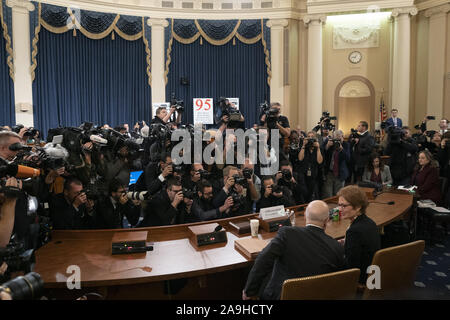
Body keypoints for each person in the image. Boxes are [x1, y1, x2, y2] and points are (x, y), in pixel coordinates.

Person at [242, 200, 345, 300]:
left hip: (281, 296)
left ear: (305, 216)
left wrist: (249, 291)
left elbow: (263, 259)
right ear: (327, 220)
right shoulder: (336, 247)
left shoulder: (287, 233)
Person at [336, 185, 380, 284]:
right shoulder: (370, 222)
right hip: (373, 276)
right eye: (339, 205)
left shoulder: (354, 231)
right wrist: (346, 242)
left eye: (344, 206)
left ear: (358, 207)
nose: (339, 209)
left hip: (360, 281)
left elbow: (351, 267)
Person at [322, 130, 351, 198]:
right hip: (329, 173)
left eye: (339, 138)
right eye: (335, 138)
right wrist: (327, 146)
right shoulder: (329, 142)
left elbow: (348, 158)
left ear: (342, 137)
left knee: (338, 195)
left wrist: (342, 149)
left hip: (340, 173)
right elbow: (321, 152)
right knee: (328, 195)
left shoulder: (346, 144)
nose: (337, 141)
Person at [298, 131, 323, 201]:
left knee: (312, 193)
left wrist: (318, 148)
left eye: (312, 137)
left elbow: (320, 161)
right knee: (304, 192)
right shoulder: (304, 148)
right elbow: (300, 158)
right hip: (303, 174)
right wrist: (303, 145)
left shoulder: (318, 149)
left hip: (314, 175)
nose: (310, 139)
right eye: (308, 137)